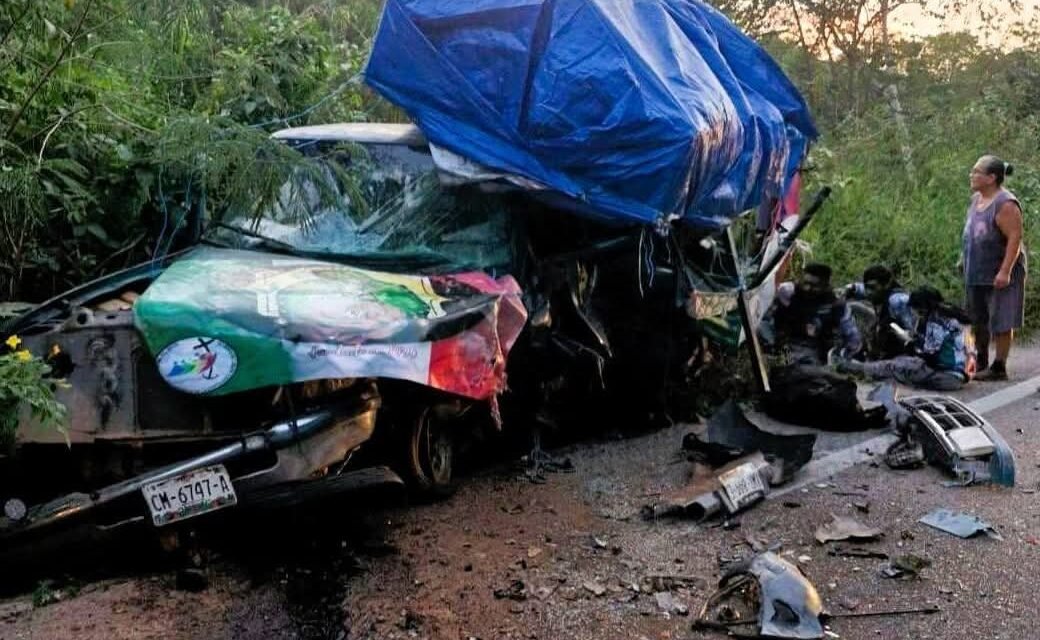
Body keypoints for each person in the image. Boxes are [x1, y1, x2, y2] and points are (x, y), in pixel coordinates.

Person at [835, 286, 975, 391]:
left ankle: (851, 367)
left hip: (946, 377)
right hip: (961, 374)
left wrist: (909, 343)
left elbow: (929, 356)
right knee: (901, 363)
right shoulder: (953, 315)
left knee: (896, 366)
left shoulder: (935, 322)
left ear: (922, 308)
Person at [961, 154, 1026, 381]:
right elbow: (972, 233)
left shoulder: (1005, 204)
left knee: (1001, 317)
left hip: (1001, 269)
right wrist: (963, 258)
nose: (972, 175)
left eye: (976, 172)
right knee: (976, 316)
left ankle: (999, 366)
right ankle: (980, 359)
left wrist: (1006, 270)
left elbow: (1014, 238)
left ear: (991, 178)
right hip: (976, 268)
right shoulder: (976, 199)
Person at [762, 262, 863, 366]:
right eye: (805, 283)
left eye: (815, 286)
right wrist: (773, 340)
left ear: (826, 286)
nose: (807, 288)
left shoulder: (836, 304)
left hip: (814, 352)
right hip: (782, 343)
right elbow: (763, 318)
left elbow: (853, 337)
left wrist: (841, 357)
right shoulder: (787, 292)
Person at [844, 264, 915, 360]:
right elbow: (864, 289)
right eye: (867, 287)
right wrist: (853, 288)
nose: (868, 292)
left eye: (872, 288)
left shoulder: (897, 301)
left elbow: (914, 333)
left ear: (886, 285)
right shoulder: (878, 292)